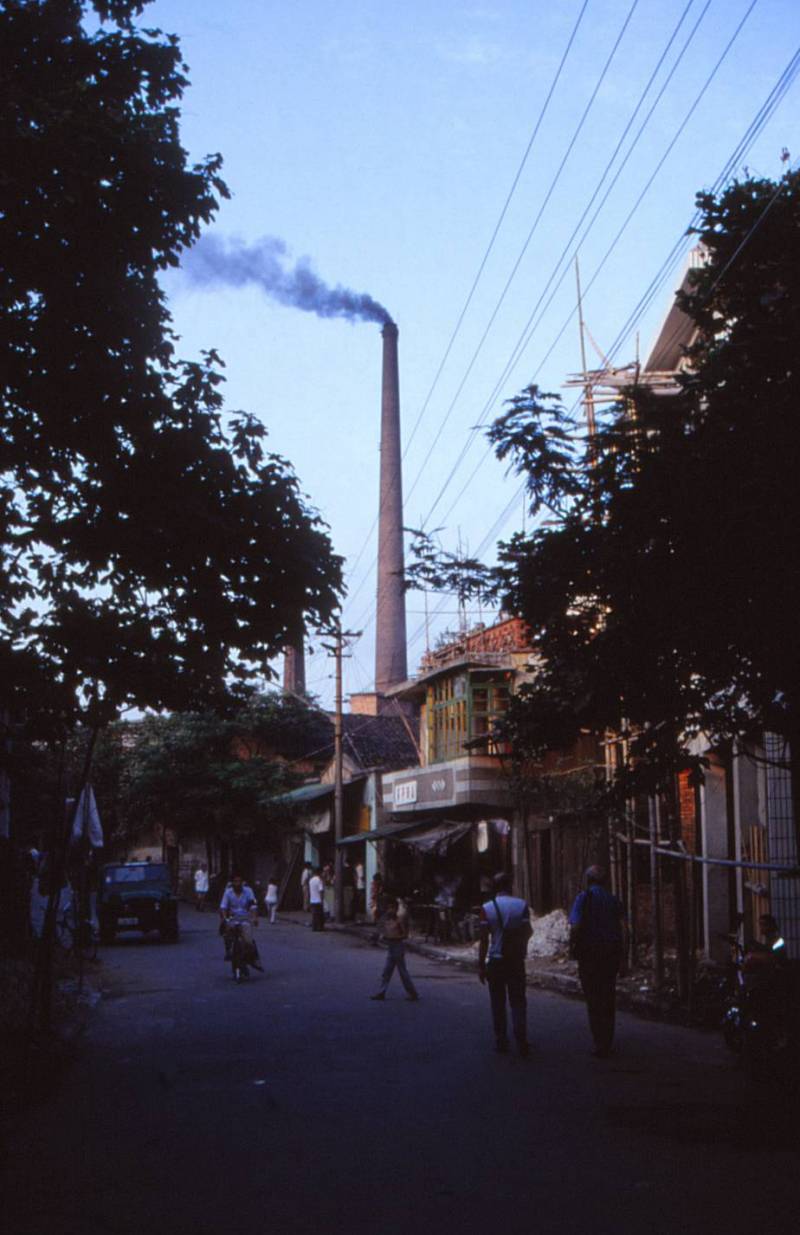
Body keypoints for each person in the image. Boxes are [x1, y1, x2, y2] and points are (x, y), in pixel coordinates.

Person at [568, 865, 627, 1058]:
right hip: (610, 954)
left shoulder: (583, 898)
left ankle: (598, 1041)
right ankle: (607, 1040)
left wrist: (572, 946)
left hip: (590, 955)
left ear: (588, 880)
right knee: (608, 996)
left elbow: (575, 926)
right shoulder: (613, 900)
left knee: (593, 998)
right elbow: (624, 929)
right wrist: (623, 957)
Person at [478, 872, 532, 1056]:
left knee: (498, 1002)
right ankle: (521, 1038)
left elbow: (484, 939)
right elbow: (528, 931)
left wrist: (480, 965)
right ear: (510, 885)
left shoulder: (487, 908)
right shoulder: (521, 905)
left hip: (496, 960)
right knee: (518, 1001)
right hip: (516, 960)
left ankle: (501, 1039)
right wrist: (520, 946)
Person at [370, 897, 419, 1001]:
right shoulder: (388, 920)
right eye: (388, 908)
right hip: (391, 948)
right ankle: (381, 992)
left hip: (398, 947)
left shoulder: (399, 920)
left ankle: (413, 993)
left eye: (391, 908)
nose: (389, 910)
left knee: (402, 972)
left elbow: (405, 935)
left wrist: (392, 937)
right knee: (386, 971)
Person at [219, 873, 262, 971]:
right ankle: (228, 951)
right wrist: (225, 918)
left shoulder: (248, 891)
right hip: (232, 918)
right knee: (227, 934)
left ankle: (252, 960)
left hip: (245, 919)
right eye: (235, 881)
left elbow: (253, 905)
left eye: (239, 881)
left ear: (242, 882)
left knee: (248, 941)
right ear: (232, 883)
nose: (237, 884)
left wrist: (255, 917)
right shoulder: (228, 892)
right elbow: (223, 907)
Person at [309, 866, 325, 932]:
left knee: (314, 915)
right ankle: (319, 928)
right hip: (318, 900)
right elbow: (321, 890)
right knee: (319, 915)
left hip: (312, 899)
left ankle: (314, 927)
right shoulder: (319, 880)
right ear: (319, 872)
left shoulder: (311, 880)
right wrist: (322, 900)